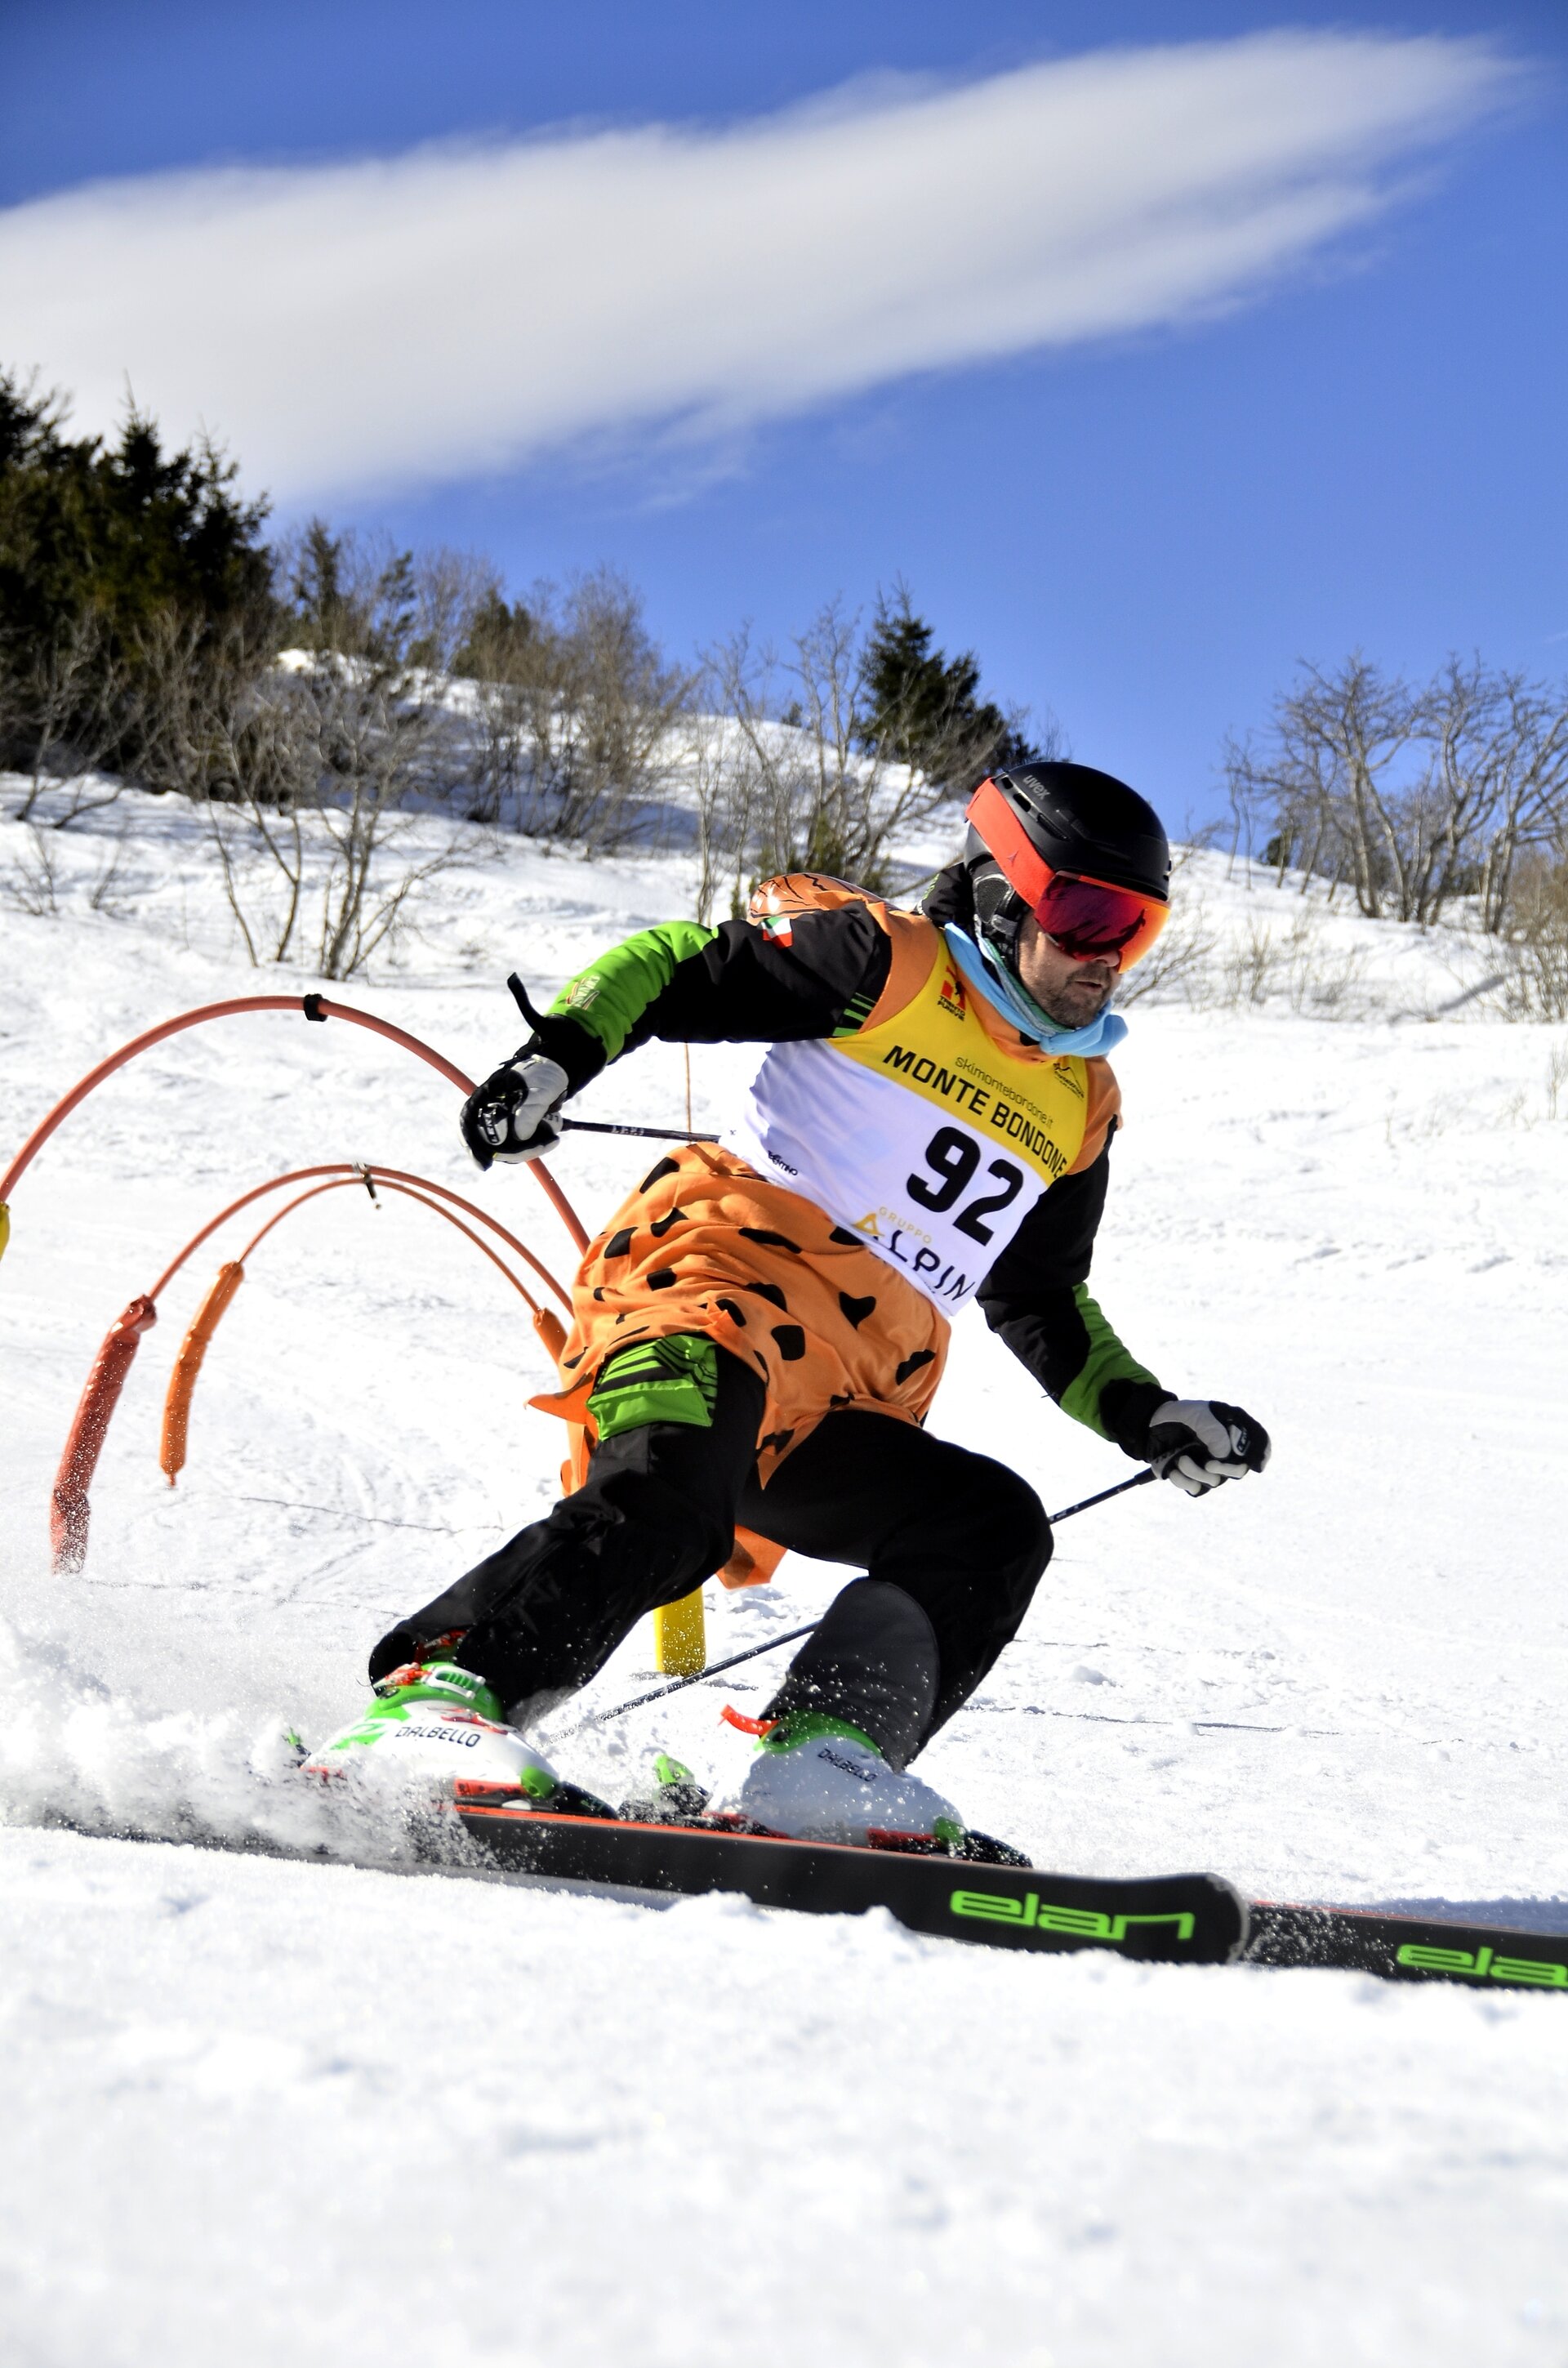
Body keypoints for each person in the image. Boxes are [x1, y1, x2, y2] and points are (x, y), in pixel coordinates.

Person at [310, 762, 1270, 1848]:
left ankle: (821, 1763)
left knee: (988, 1529)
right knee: (672, 1499)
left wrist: (1148, 1416)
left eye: (1134, 929)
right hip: (705, 1297)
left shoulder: (1080, 1098)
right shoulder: (891, 964)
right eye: (1084, 914)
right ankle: (440, 1703)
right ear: (1003, 894)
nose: (1106, 956)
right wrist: (552, 1063)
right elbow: (680, 966)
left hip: (837, 1397)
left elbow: (1039, 1294)